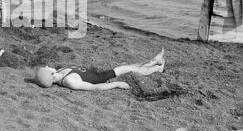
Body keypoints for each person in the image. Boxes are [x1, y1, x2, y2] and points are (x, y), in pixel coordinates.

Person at [34, 48, 166, 91]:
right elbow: (93, 87)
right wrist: (117, 84)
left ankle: (155, 63)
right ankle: (156, 67)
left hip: (98, 73)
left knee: (131, 66)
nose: (46, 66)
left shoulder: (59, 71)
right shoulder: (69, 80)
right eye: (45, 68)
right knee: (130, 68)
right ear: (49, 73)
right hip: (103, 78)